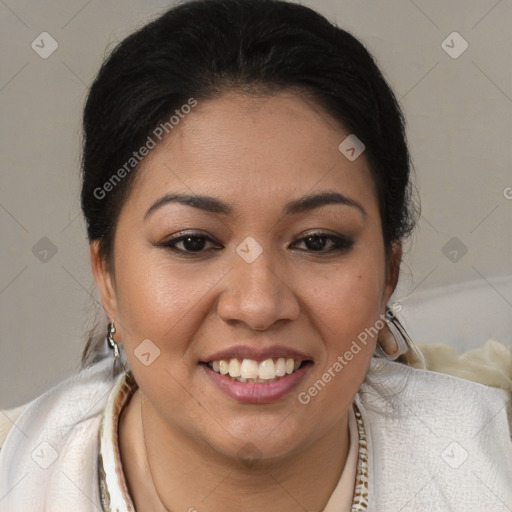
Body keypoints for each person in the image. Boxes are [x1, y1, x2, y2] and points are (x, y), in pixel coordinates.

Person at [0, 0, 510, 510]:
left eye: (317, 242)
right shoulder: (18, 474)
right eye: (192, 242)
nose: (259, 304)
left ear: (388, 272)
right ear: (107, 276)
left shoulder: (489, 463)